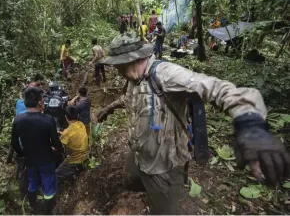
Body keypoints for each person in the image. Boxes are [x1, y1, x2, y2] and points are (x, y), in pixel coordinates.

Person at [96, 34, 290, 215]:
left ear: (137, 58)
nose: (119, 72)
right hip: (141, 154)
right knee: (129, 179)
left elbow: (215, 88)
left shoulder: (166, 74)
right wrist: (109, 108)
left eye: (121, 66)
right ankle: (144, 193)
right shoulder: (134, 78)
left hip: (165, 165)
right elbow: (128, 98)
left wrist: (250, 123)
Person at [11, 87, 64, 215]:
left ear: (25, 101)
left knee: (32, 183)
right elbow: (55, 142)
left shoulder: (18, 120)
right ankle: (47, 212)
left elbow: (14, 143)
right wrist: (60, 150)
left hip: (30, 159)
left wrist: (23, 154)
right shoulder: (48, 120)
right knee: (48, 187)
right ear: (40, 101)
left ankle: (33, 207)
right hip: (46, 159)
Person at [56, 106, 89, 186]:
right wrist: (62, 133)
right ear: (77, 116)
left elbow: (59, 148)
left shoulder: (67, 132)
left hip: (75, 159)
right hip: (85, 155)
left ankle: (54, 194)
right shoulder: (81, 124)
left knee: (56, 175)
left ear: (66, 117)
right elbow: (74, 134)